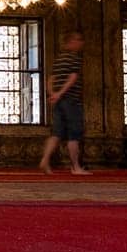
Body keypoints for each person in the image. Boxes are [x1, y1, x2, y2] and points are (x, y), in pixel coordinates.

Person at [38, 31, 89, 175]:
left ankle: (45, 159)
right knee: (74, 134)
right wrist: (60, 94)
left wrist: (52, 94)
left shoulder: (58, 60)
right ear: (71, 41)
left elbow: (50, 79)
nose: (81, 43)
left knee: (56, 133)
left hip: (59, 101)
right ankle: (75, 167)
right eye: (78, 40)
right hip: (71, 100)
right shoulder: (74, 59)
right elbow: (72, 78)